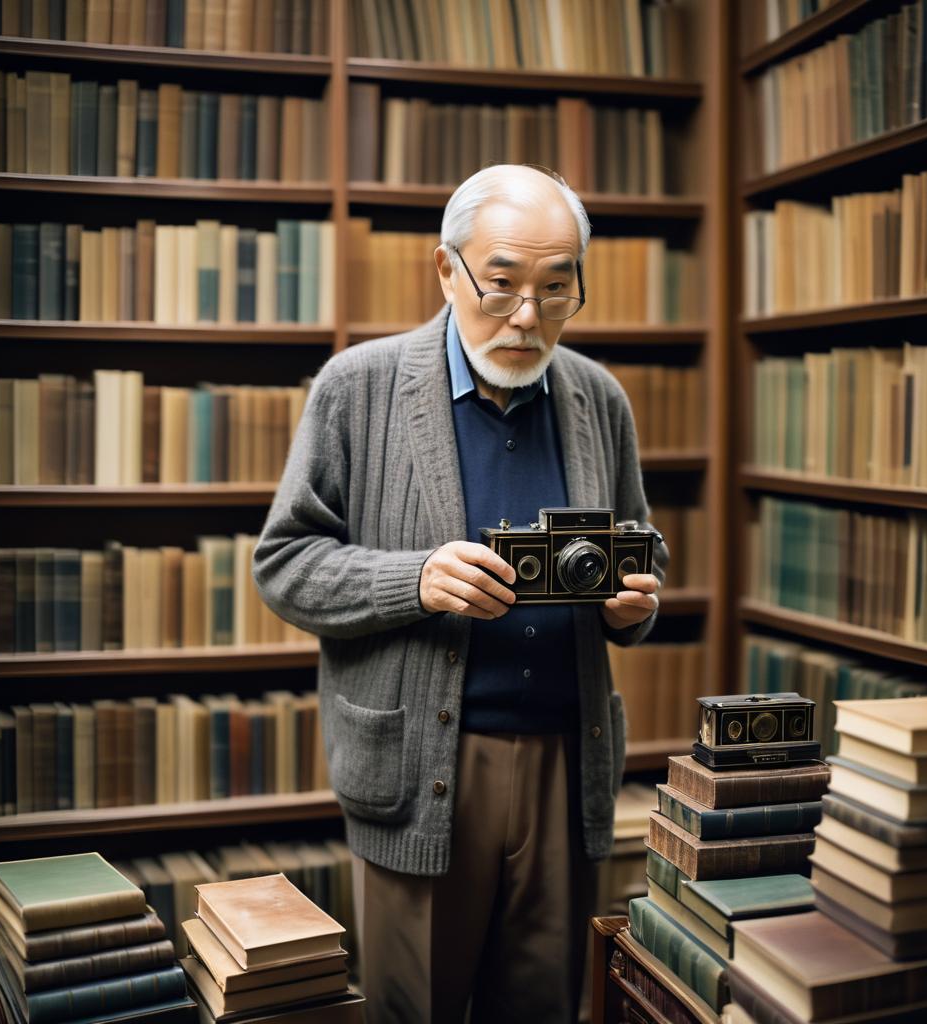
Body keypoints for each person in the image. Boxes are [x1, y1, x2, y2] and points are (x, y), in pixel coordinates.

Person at [252, 163, 668, 1023]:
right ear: (447, 269)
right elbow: (285, 563)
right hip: (423, 768)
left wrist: (637, 602)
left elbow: (639, 545)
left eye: (557, 291)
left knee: (549, 1007)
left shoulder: (598, 397)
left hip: (566, 757)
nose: (527, 317)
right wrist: (414, 579)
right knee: (420, 1008)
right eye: (503, 284)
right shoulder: (357, 389)